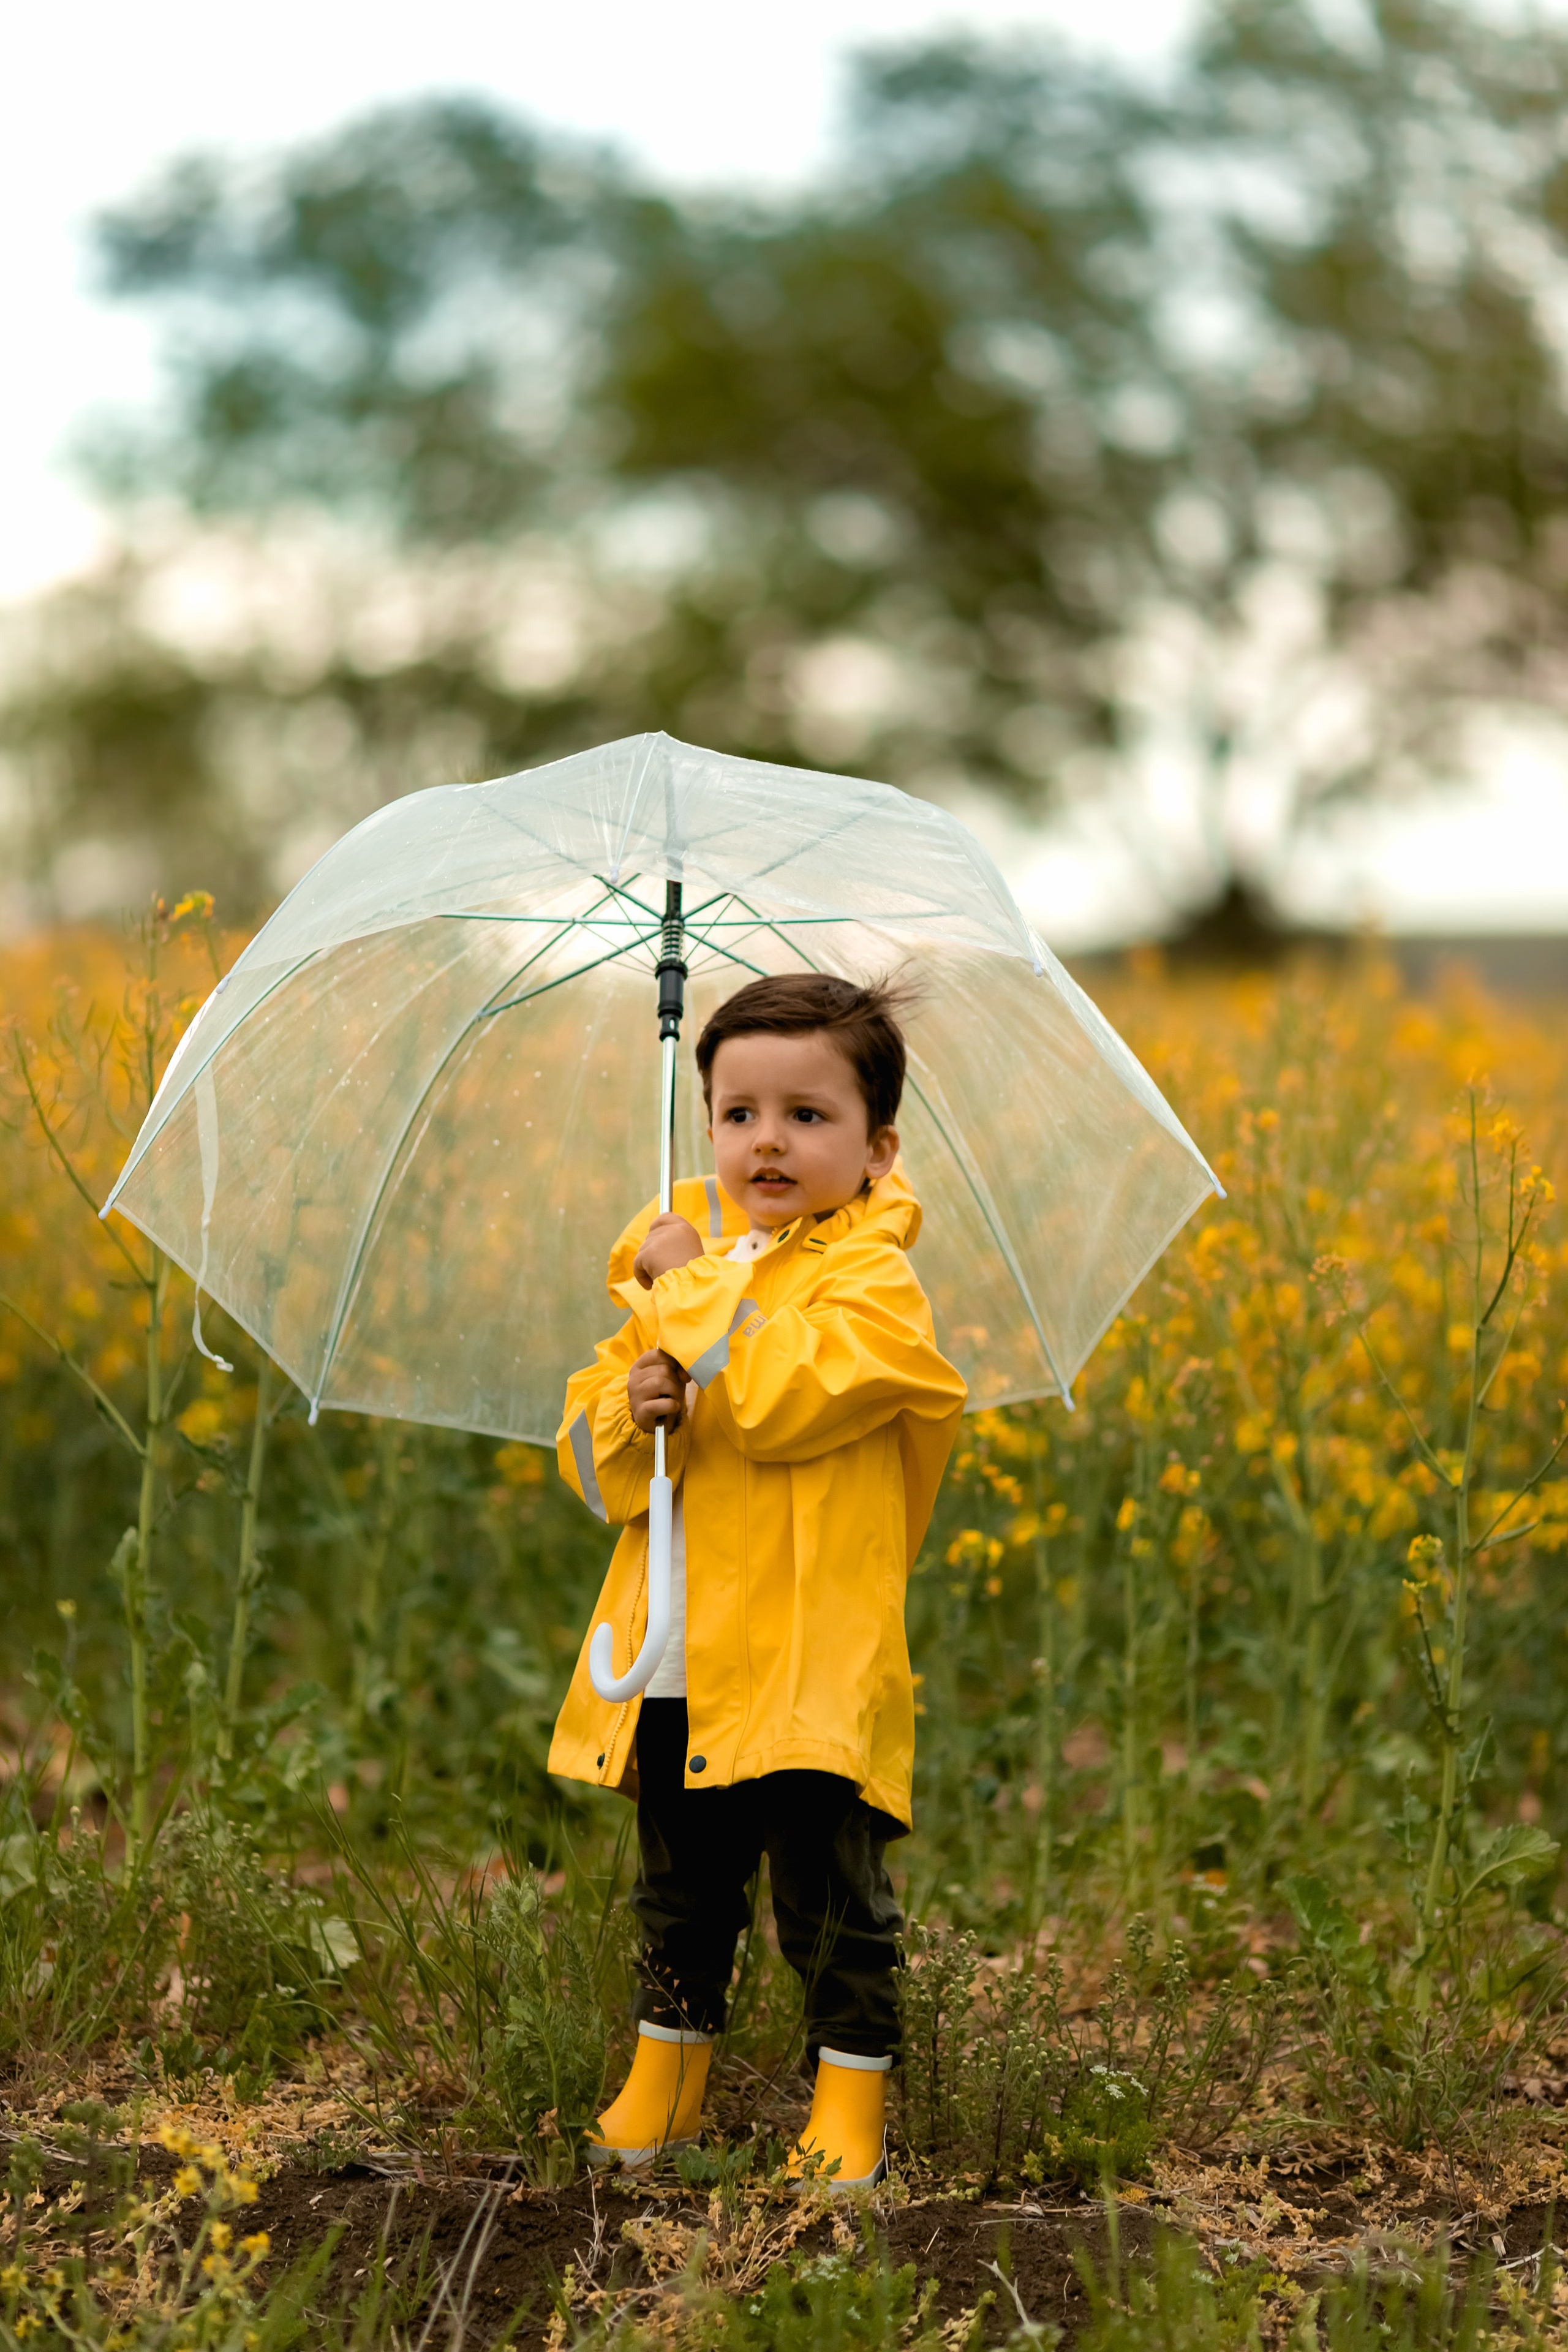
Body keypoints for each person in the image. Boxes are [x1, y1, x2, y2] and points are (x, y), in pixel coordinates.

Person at [548, 971, 967, 2188]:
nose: (765, 1140)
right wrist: (631, 1405)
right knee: (681, 1884)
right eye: (736, 1115)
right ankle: (665, 2079)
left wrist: (684, 1297)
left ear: (877, 1150)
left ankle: (848, 2104)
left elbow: (784, 1399)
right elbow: (592, 1474)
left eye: (805, 1115)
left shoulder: (874, 1289)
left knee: (826, 1897)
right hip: (681, 1643)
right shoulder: (680, 1268)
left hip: (808, 1653)